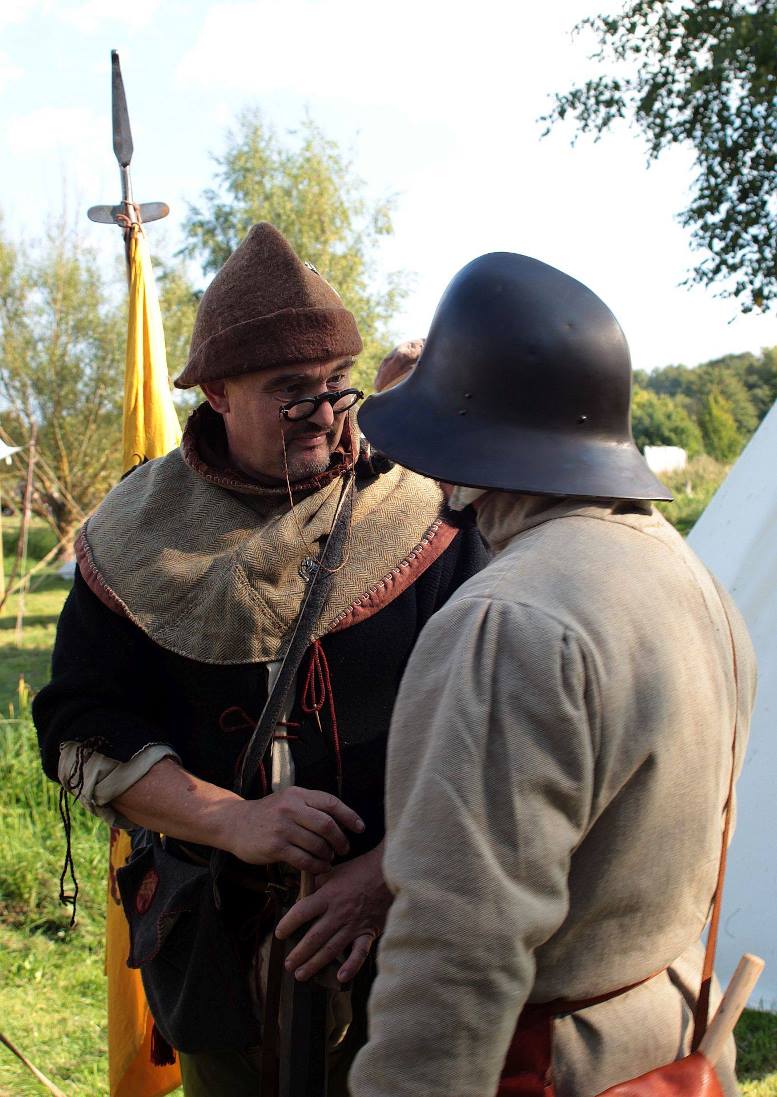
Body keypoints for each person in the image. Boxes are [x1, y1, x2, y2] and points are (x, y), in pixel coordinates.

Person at [33, 223, 488, 1096]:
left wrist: (383, 875)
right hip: (217, 949)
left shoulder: (425, 516)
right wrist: (230, 820)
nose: (323, 410)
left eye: (335, 384)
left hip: (410, 945)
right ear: (216, 391)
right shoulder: (134, 533)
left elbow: (496, 732)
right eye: (289, 390)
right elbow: (81, 727)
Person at [349, 251, 757, 1097]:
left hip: (556, 1065)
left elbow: (456, 945)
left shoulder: (504, 620)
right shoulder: (690, 577)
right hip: (668, 1033)